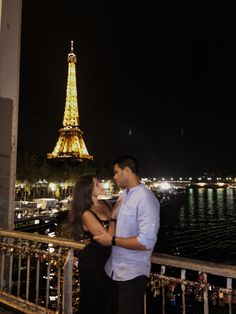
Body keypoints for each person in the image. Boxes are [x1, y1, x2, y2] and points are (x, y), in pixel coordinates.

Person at [94, 155, 160, 314]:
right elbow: (114, 221)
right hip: (112, 270)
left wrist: (112, 240)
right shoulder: (124, 195)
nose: (114, 176)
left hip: (132, 274)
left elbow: (146, 242)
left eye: (116, 172)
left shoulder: (146, 198)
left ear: (127, 171)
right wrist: (112, 220)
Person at [70, 174, 118, 314]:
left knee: (108, 303)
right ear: (88, 189)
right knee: (92, 304)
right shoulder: (86, 213)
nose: (101, 185)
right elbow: (108, 237)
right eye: (97, 184)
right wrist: (114, 216)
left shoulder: (105, 204)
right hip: (93, 264)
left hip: (109, 260)